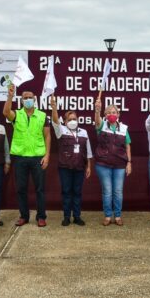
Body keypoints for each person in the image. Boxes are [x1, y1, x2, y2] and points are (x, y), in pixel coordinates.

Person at [3, 85, 51, 227]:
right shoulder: (17, 114)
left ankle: (41, 217)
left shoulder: (43, 116)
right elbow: (6, 112)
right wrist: (10, 96)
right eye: (25, 98)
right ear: (22, 100)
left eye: (30, 97)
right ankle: (24, 216)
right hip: (20, 157)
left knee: (40, 189)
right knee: (21, 188)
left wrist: (47, 156)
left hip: (38, 157)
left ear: (35, 99)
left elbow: (47, 136)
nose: (28, 99)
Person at [50, 95, 93, 226]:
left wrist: (89, 166)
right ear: (65, 120)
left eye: (74, 119)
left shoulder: (84, 132)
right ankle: (67, 217)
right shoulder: (61, 131)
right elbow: (55, 121)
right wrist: (54, 108)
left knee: (77, 192)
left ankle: (77, 216)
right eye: (70, 119)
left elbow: (88, 151)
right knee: (67, 192)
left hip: (80, 167)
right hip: (65, 168)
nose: (73, 121)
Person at [94, 97, 132, 226]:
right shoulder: (102, 125)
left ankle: (118, 216)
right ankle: (108, 216)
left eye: (114, 112)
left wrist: (129, 162)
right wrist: (97, 110)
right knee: (107, 190)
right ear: (105, 115)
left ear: (118, 114)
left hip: (120, 165)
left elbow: (127, 146)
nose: (112, 114)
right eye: (109, 112)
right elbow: (97, 121)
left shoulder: (124, 128)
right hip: (103, 165)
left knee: (118, 191)